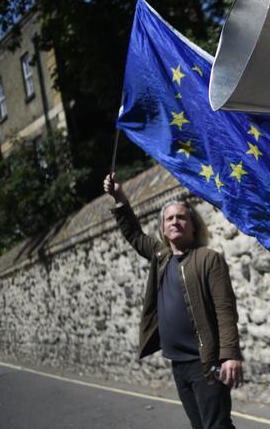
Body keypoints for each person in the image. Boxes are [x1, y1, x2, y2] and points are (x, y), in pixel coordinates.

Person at [103, 173, 243, 429]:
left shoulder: (208, 258)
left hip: (206, 363)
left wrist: (230, 355)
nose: (175, 222)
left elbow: (225, 310)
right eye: (169, 218)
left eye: (181, 217)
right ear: (163, 229)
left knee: (217, 426)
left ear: (193, 225)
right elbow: (134, 234)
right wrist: (120, 197)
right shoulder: (161, 255)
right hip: (178, 364)